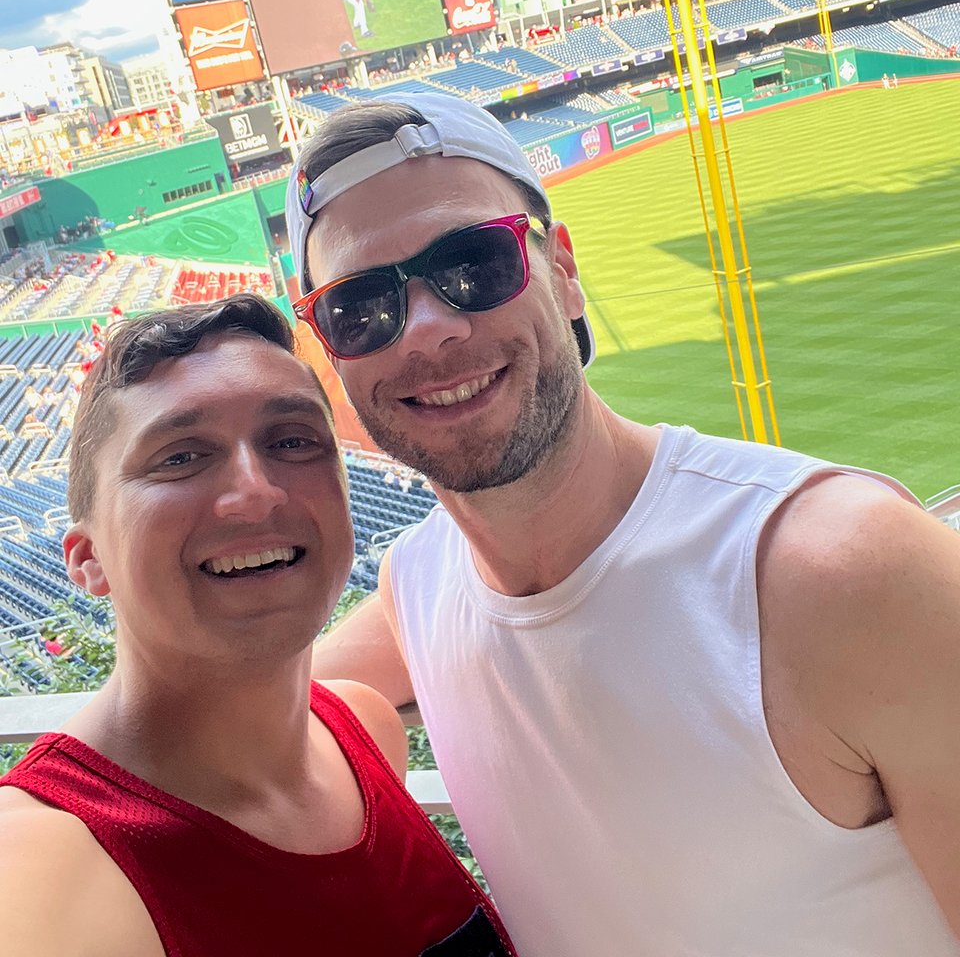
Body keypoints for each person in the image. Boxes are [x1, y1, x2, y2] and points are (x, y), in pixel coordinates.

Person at [284, 91, 960, 956]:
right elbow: (236, 719)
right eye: (360, 307)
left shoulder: (846, 572)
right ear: (330, 350)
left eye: (474, 263)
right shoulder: (416, 587)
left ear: (562, 271)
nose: (428, 330)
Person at [0, 296, 514, 957]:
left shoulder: (364, 727)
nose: (256, 491)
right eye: (180, 457)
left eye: (293, 441)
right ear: (88, 558)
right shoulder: (43, 863)